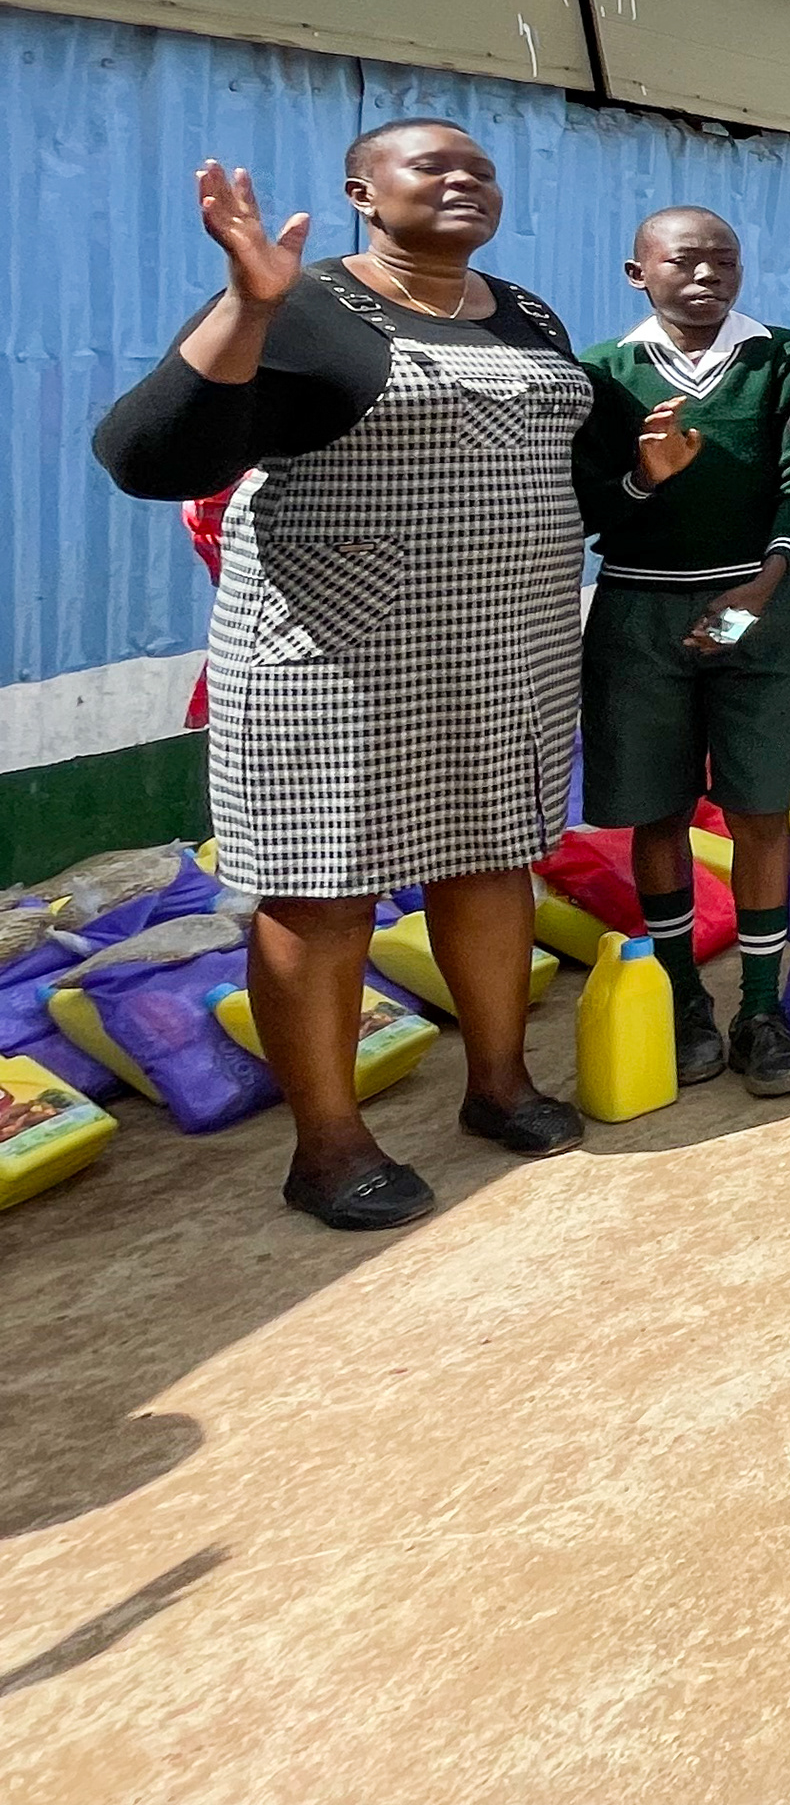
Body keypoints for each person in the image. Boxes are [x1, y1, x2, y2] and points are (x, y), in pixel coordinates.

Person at [93, 125, 692, 1227]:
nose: (464, 180)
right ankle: (326, 1146)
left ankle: (501, 1084)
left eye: (481, 170)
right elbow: (148, 456)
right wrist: (246, 304)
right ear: (363, 191)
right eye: (433, 166)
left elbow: (568, 480)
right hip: (337, 654)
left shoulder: (525, 314)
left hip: (504, 650)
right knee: (324, 892)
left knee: (492, 859)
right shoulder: (302, 302)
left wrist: (642, 480)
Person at [578, 207, 790, 1095]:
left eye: (724, 260)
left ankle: (758, 1008)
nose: (707, 276)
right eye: (682, 261)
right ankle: (683, 995)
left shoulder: (777, 356)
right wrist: (647, 477)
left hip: (751, 606)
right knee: (659, 809)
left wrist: (759, 589)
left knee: (762, 806)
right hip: (642, 613)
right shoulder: (607, 372)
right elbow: (590, 507)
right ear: (636, 273)